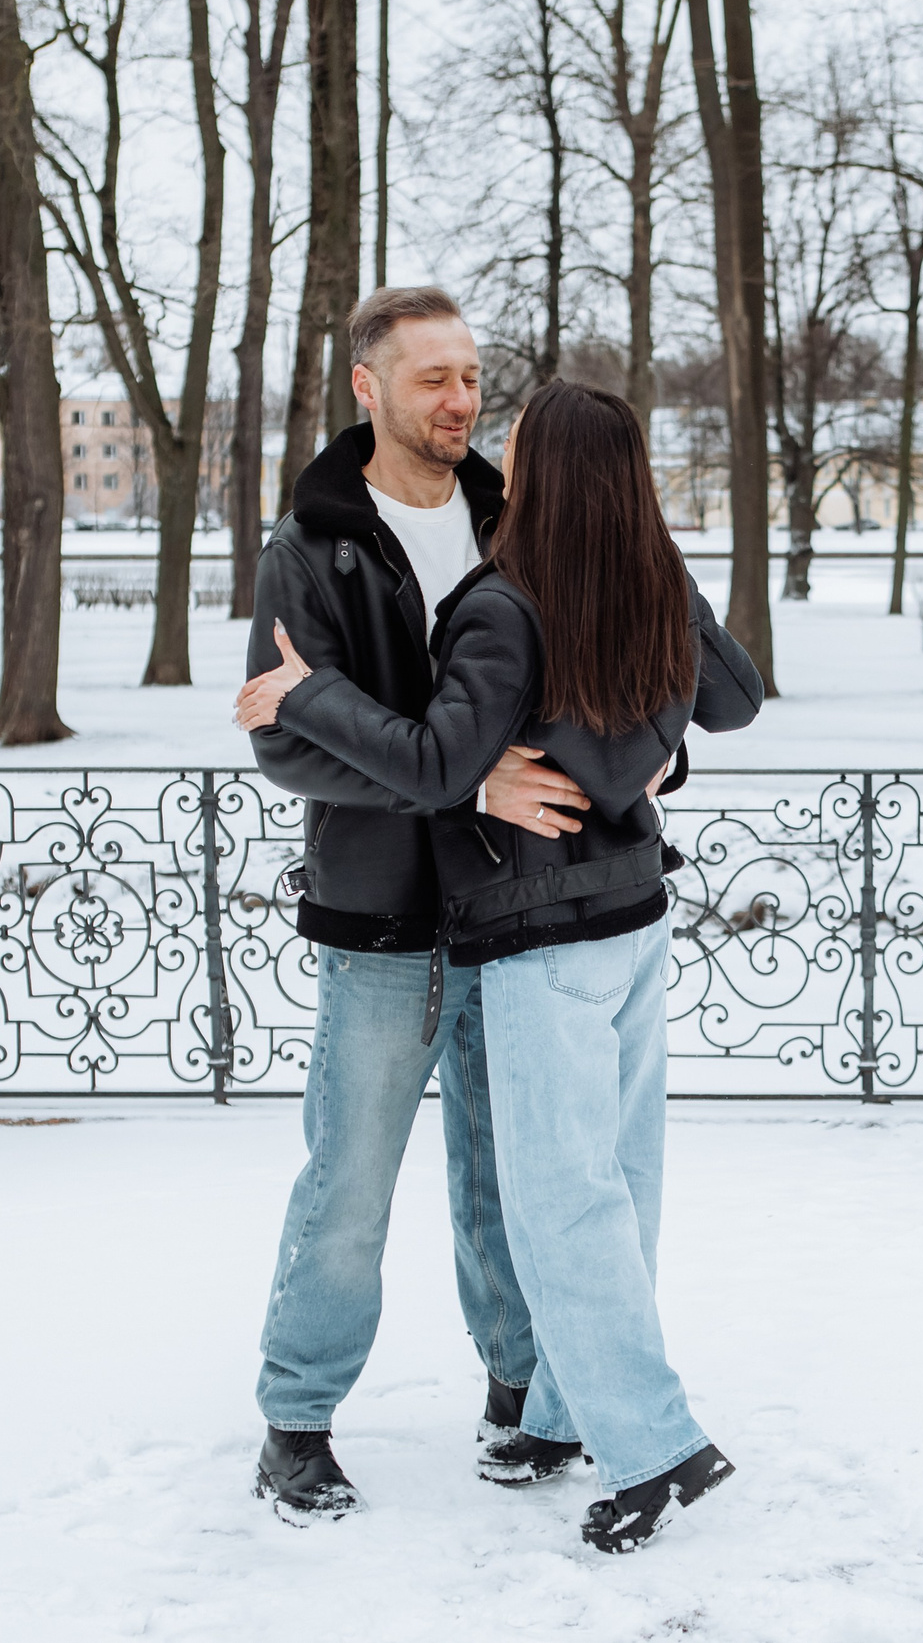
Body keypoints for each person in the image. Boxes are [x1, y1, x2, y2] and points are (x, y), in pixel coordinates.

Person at [235, 379, 764, 1554]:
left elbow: (435, 764)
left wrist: (307, 692)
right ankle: (569, 1415)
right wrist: (661, 589)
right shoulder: (631, 581)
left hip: (539, 936)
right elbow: (730, 700)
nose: (493, 445)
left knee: (560, 1199)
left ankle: (653, 1441)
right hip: (632, 922)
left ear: (550, 476)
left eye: (516, 440)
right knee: (617, 1184)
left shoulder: (501, 602)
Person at [241, 287, 597, 1522]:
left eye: (470, 376)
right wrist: (462, 773)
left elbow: (604, 676)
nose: (460, 401)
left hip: (516, 915)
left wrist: (659, 754)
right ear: (367, 386)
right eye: (433, 378)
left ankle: (517, 1390)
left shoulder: (520, 521)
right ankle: (295, 1416)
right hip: (379, 919)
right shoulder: (313, 542)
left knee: (509, 1171)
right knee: (349, 1180)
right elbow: (285, 745)